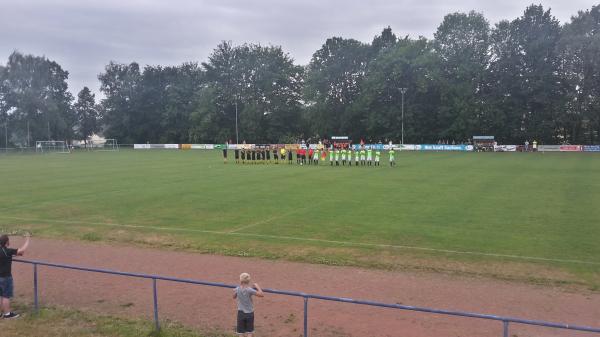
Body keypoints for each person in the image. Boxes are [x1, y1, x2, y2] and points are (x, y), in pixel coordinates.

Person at [0, 232, 30, 319]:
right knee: (6, 296)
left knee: (0, 295)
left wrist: (16, 255)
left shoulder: (5, 252)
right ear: (6, 242)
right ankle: (7, 314)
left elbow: (9, 256)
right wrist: (27, 239)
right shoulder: (7, 251)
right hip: (6, 277)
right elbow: (21, 250)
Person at [233, 273, 264, 337]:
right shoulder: (249, 290)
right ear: (249, 280)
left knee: (240, 332)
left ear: (240, 280)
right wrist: (257, 286)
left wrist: (236, 291)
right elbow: (261, 294)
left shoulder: (238, 288)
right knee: (249, 332)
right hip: (249, 313)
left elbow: (234, 296)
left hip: (240, 313)